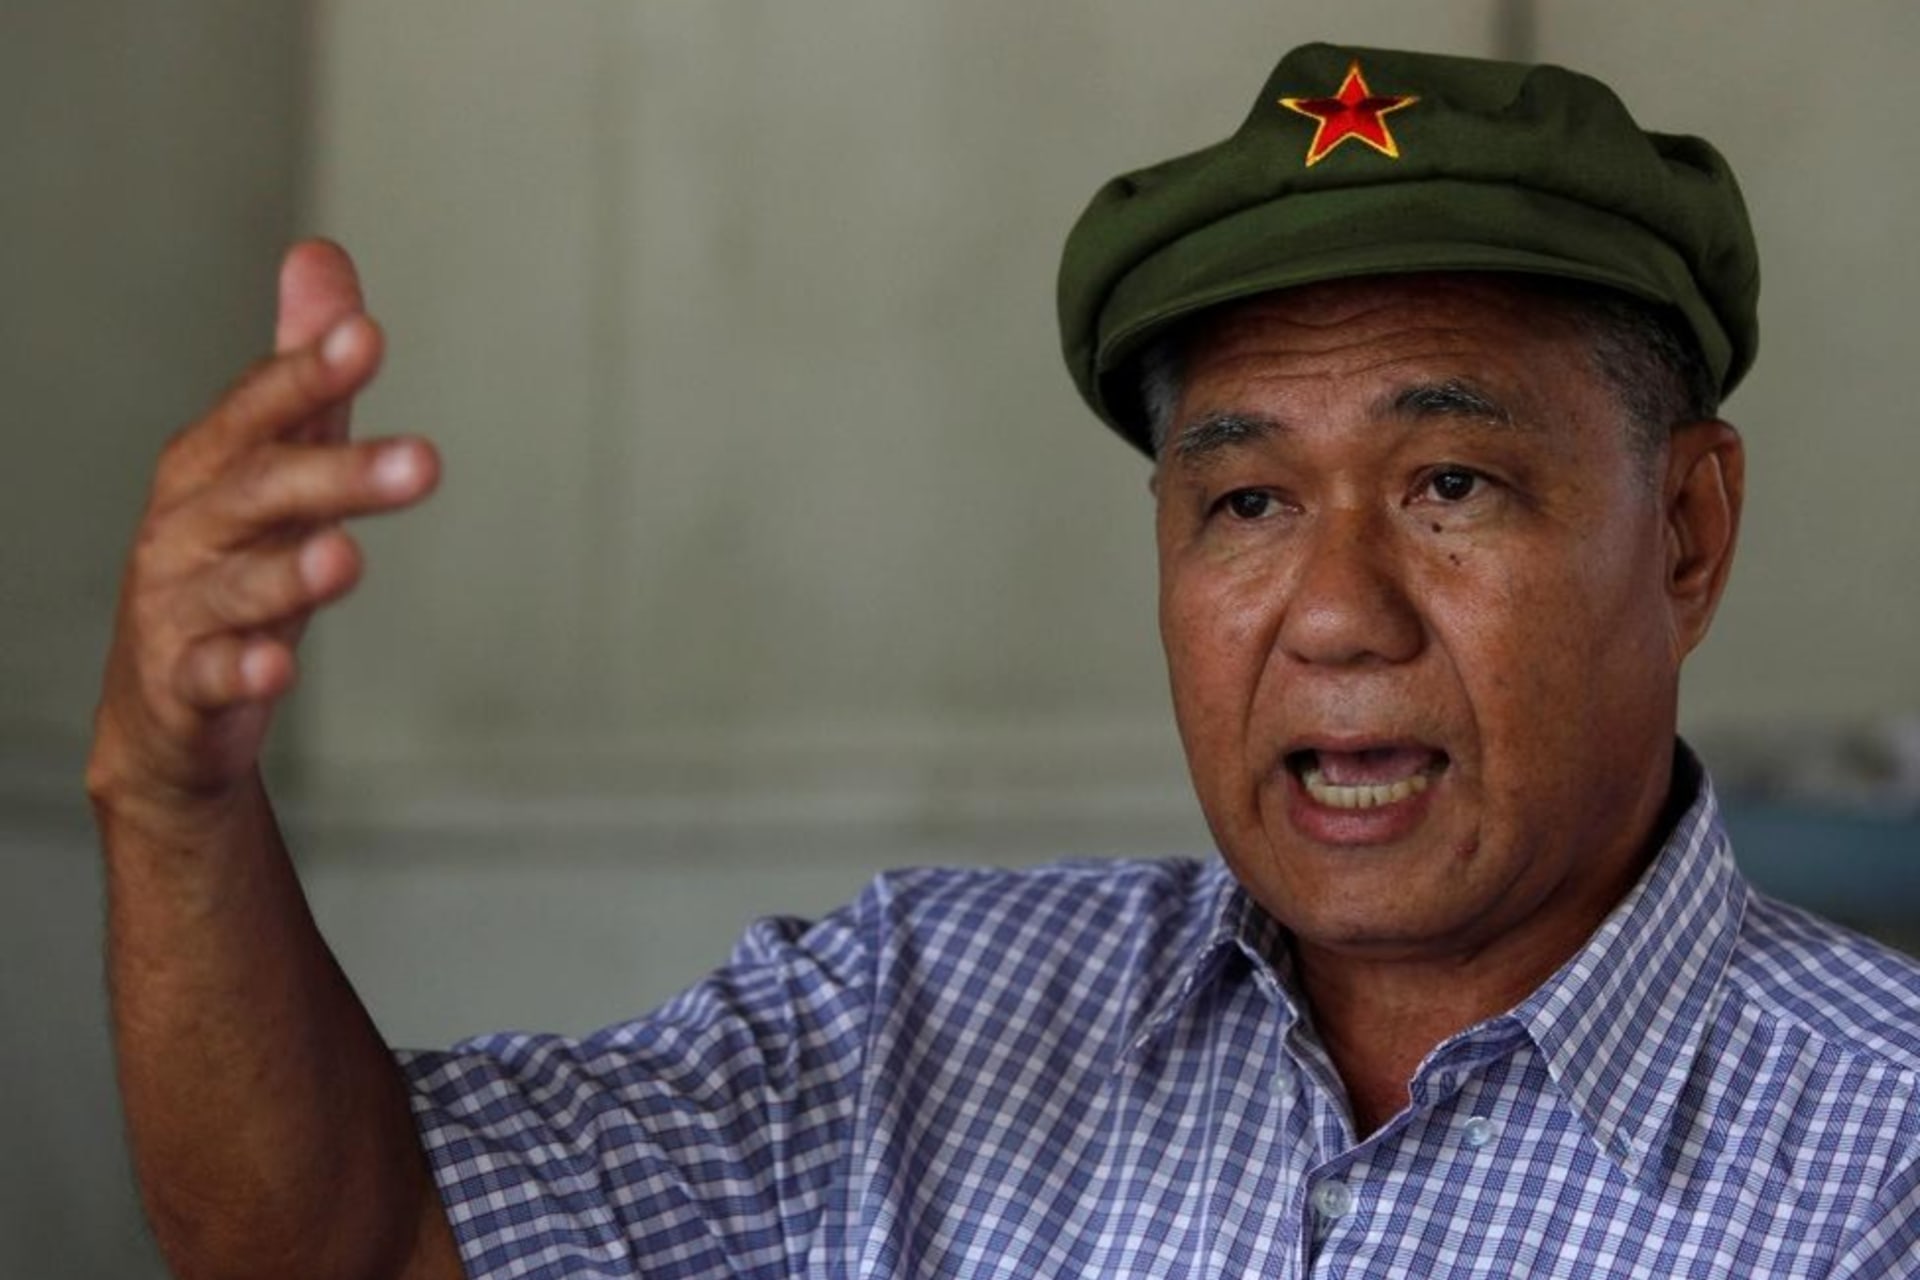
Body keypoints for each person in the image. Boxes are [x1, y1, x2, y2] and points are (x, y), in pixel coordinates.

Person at [88, 41, 1920, 1280]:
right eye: (1246, 502)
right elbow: (356, 1242)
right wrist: (178, 806)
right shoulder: (925, 1018)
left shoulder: (1880, 1155)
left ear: (1686, 534)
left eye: (1451, 484)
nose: (1336, 613)